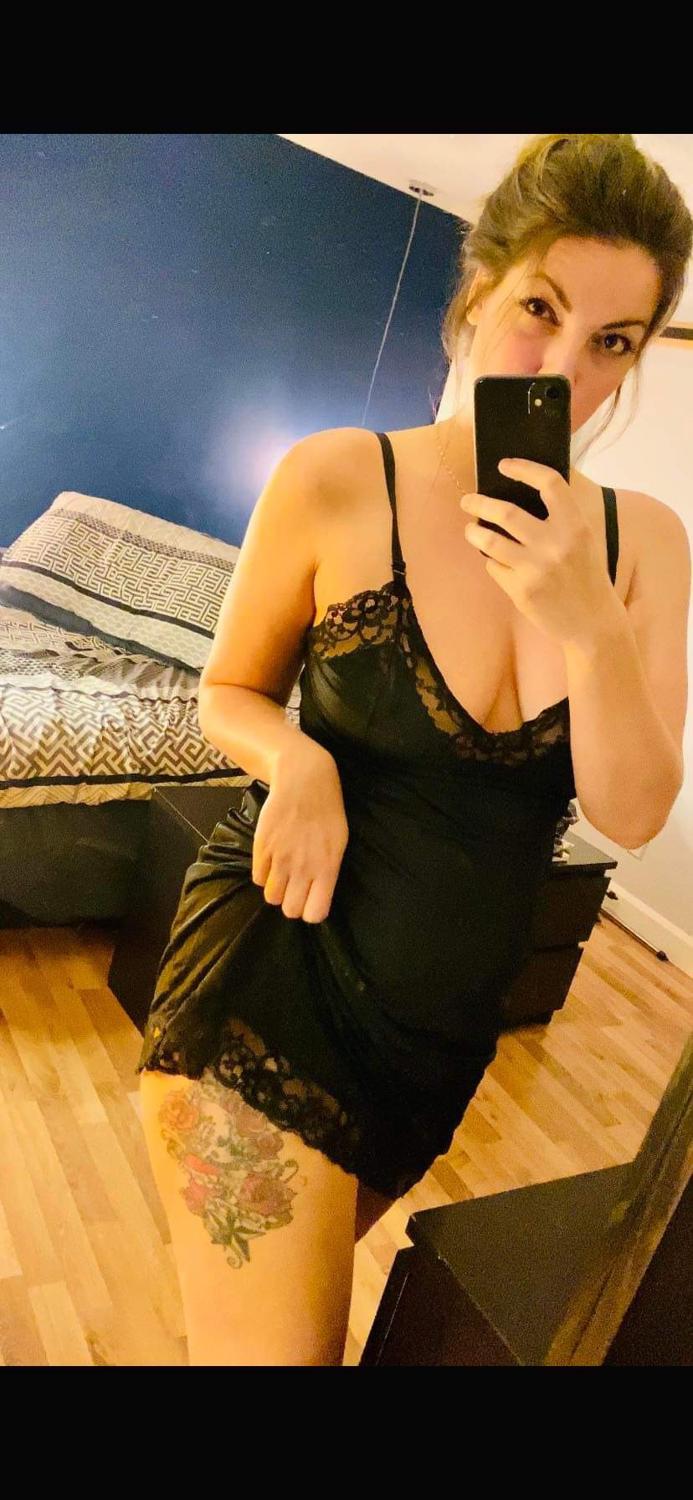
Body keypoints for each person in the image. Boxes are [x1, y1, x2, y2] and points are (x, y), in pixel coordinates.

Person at [136, 133, 692, 1366]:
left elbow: (634, 809)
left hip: (438, 1044)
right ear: (478, 290)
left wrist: (591, 625)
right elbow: (227, 691)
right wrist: (300, 761)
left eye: (614, 342)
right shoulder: (339, 479)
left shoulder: (647, 547)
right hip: (273, 983)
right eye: (540, 310)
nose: (565, 370)